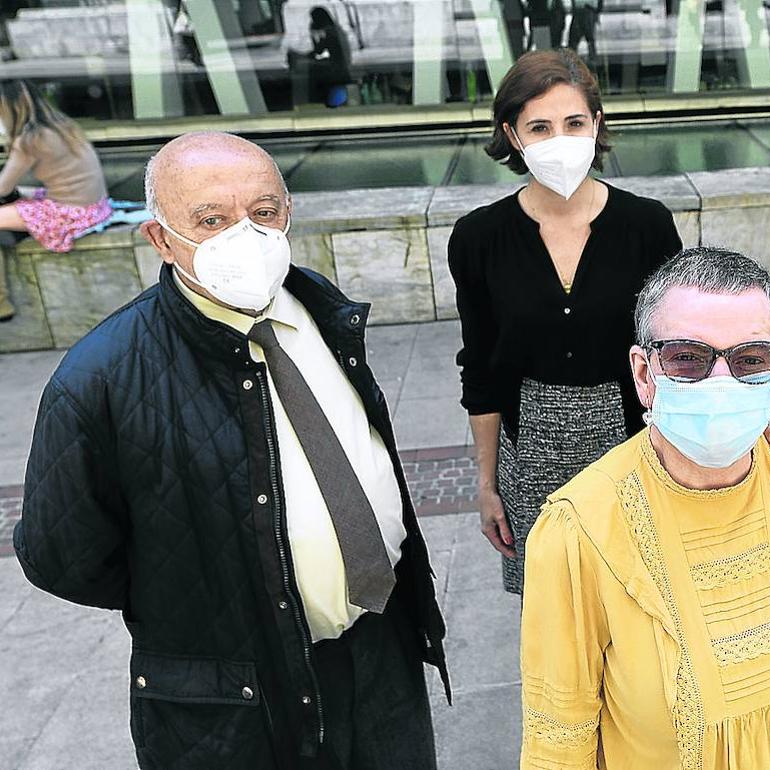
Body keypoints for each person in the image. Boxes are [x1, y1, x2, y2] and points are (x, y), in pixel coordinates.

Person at [14, 131, 447, 770]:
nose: (244, 235)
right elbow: (63, 556)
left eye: (263, 212)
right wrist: (204, 594)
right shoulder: (100, 378)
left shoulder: (320, 313)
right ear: (161, 239)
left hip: (382, 649)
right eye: (210, 220)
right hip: (240, 696)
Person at [519, 247, 770, 769]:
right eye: (687, 358)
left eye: (749, 360)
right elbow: (559, 739)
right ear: (644, 372)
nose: (720, 383)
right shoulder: (578, 529)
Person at [450, 48, 681, 595]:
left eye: (574, 122)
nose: (560, 139)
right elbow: (479, 366)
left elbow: (674, 351)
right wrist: (487, 485)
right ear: (512, 135)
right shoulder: (479, 237)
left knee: (641, 602)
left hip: (634, 440)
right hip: (529, 447)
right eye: (540, 126)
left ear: (596, 124)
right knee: (554, 613)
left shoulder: (647, 225)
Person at [0, 79, 110, 321]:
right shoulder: (62, 126)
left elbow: (3, 186)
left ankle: (1, 303)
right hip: (94, 208)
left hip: (69, 215)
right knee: (23, 193)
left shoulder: (29, 140)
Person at [308, 6, 353, 108]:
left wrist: (312, 35)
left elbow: (318, 50)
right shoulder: (336, 30)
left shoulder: (331, 33)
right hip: (341, 66)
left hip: (338, 71)